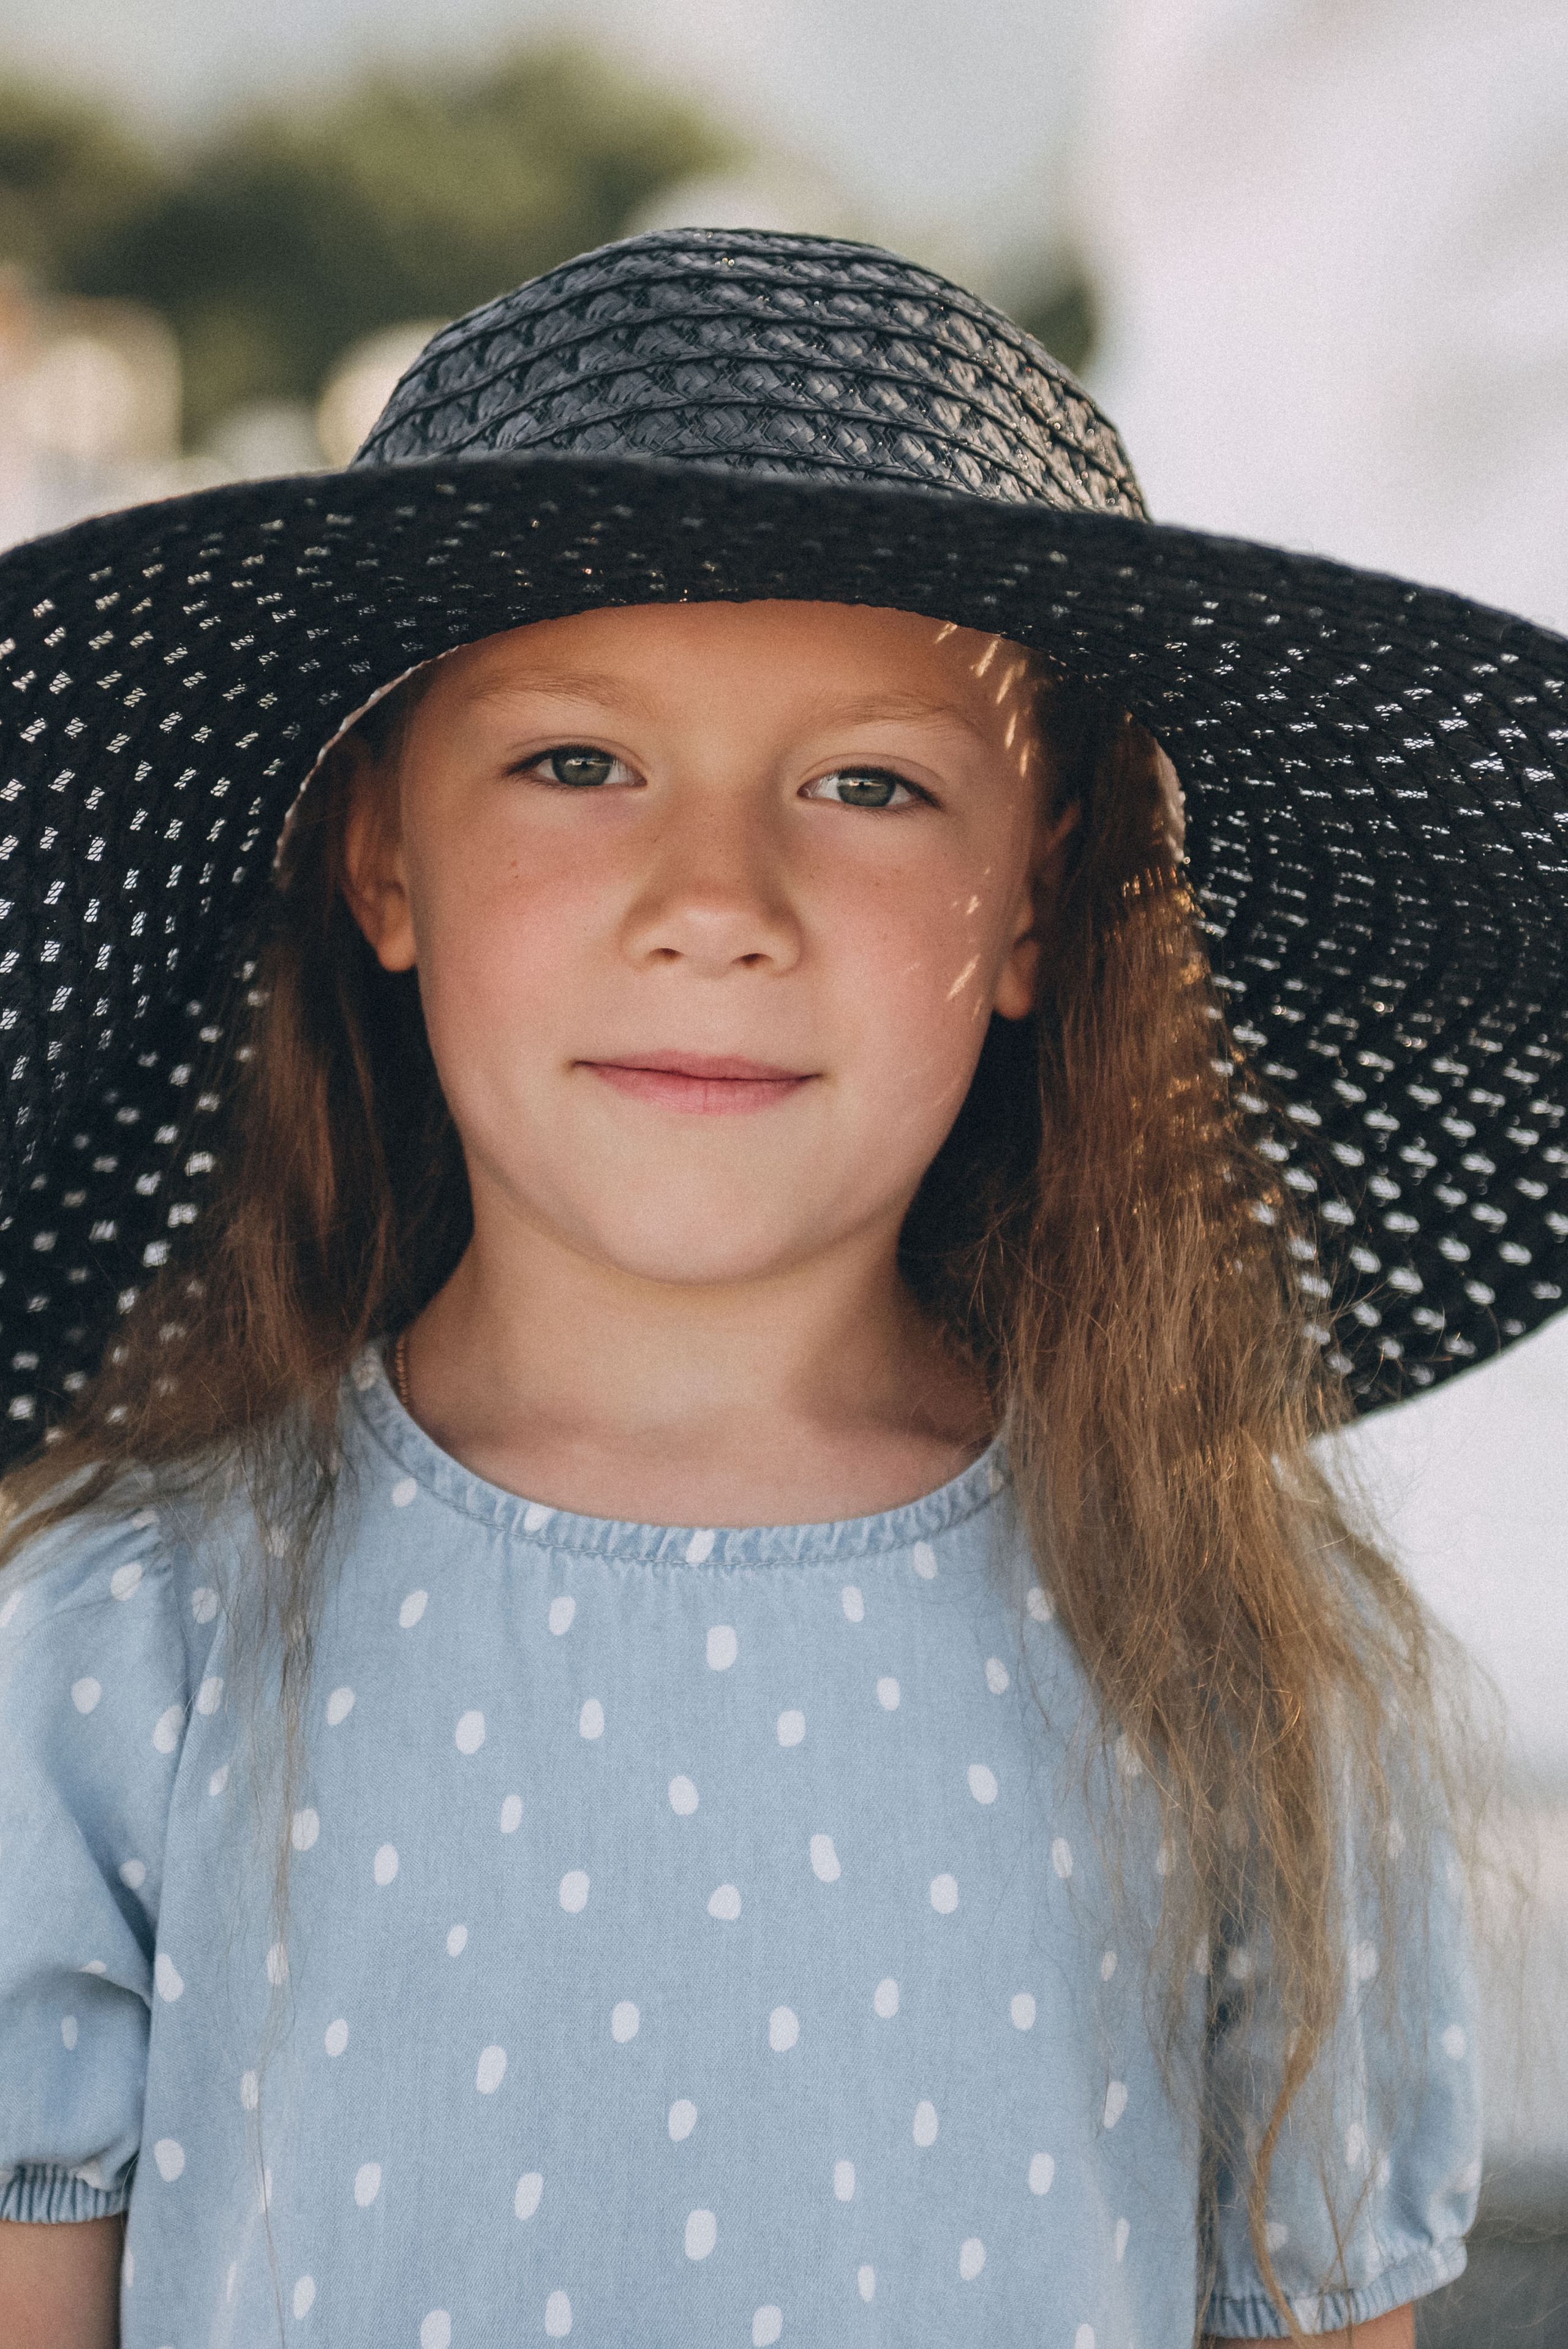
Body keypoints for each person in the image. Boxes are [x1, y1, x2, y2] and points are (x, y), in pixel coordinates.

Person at [1, 228, 1561, 2349]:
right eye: (576, 760)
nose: (712, 899)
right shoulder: (117, 1641)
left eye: (869, 784)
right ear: (381, 856)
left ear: (1040, 907)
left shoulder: (1236, 1660)